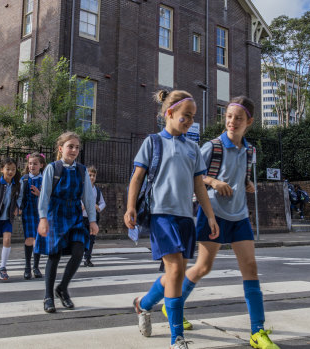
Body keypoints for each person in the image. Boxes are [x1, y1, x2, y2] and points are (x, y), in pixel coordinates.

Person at [176, 96, 280, 349]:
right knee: (202, 268)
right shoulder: (212, 147)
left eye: (238, 118)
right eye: (229, 117)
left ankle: (257, 332)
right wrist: (214, 182)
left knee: (251, 269)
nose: (232, 122)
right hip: (213, 214)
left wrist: (247, 183)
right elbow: (193, 176)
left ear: (249, 122)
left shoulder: (250, 150)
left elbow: (239, 174)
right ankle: (174, 308)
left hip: (240, 216)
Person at [125, 90, 219, 349]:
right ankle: (177, 338)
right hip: (161, 215)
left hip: (185, 218)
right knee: (176, 271)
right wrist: (130, 207)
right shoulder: (153, 142)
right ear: (169, 113)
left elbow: (199, 187)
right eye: (185, 116)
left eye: (192, 117)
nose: (189, 121)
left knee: (173, 276)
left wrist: (209, 215)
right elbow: (136, 178)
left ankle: (142, 305)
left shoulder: (193, 148)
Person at [37, 131, 98, 314]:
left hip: (75, 214)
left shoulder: (81, 170)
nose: (74, 150)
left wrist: (92, 221)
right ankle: (48, 296)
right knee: (54, 255)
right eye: (70, 146)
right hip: (55, 213)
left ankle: (62, 288)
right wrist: (42, 218)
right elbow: (45, 196)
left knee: (79, 250)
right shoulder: (52, 168)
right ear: (61, 148)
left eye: (77, 147)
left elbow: (88, 197)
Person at [17, 152, 46, 280]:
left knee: (38, 239)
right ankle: (27, 267)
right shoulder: (24, 179)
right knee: (29, 238)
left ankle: (36, 267)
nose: (32, 166)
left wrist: (40, 194)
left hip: (40, 212)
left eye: (35, 164)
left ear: (41, 165)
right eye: (30, 163)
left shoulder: (45, 179)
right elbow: (18, 195)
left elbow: (49, 197)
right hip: (28, 211)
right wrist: (18, 208)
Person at [82, 165, 105, 267]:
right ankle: (80, 256)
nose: (92, 177)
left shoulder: (97, 191)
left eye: (94, 175)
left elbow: (103, 203)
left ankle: (87, 258)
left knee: (91, 239)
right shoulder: (81, 188)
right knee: (81, 238)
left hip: (92, 218)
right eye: (90, 175)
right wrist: (82, 206)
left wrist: (98, 207)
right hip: (82, 217)